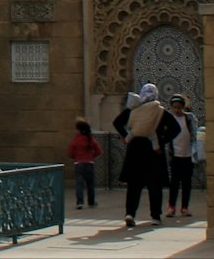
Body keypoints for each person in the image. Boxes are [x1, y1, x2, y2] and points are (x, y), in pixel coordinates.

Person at [112, 81, 180, 227]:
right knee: (154, 185)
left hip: (135, 150)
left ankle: (130, 214)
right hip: (153, 151)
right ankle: (155, 216)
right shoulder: (160, 111)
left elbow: (117, 122)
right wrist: (162, 140)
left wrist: (126, 136)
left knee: (134, 185)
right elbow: (176, 129)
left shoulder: (134, 109)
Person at [166, 94, 200, 217]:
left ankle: (185, 207)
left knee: (186, 183)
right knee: (174, 182)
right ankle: (171, 206)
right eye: (174, 107)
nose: (177, 110)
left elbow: (195, 132)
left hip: (188, 155)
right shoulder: (169, 119)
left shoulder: (189, 118)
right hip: (175, 156)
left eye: (179, 107)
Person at [68, 117, 102, 209]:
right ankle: (91, 201)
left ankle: (80, 202)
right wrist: (92, 156)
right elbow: (99, 150)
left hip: (78, 163)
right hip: (89, 163)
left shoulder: (76, 139)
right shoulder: (90, 139)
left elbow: (70, 152)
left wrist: (76, 157)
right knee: (90, 183)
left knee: (79, 184)